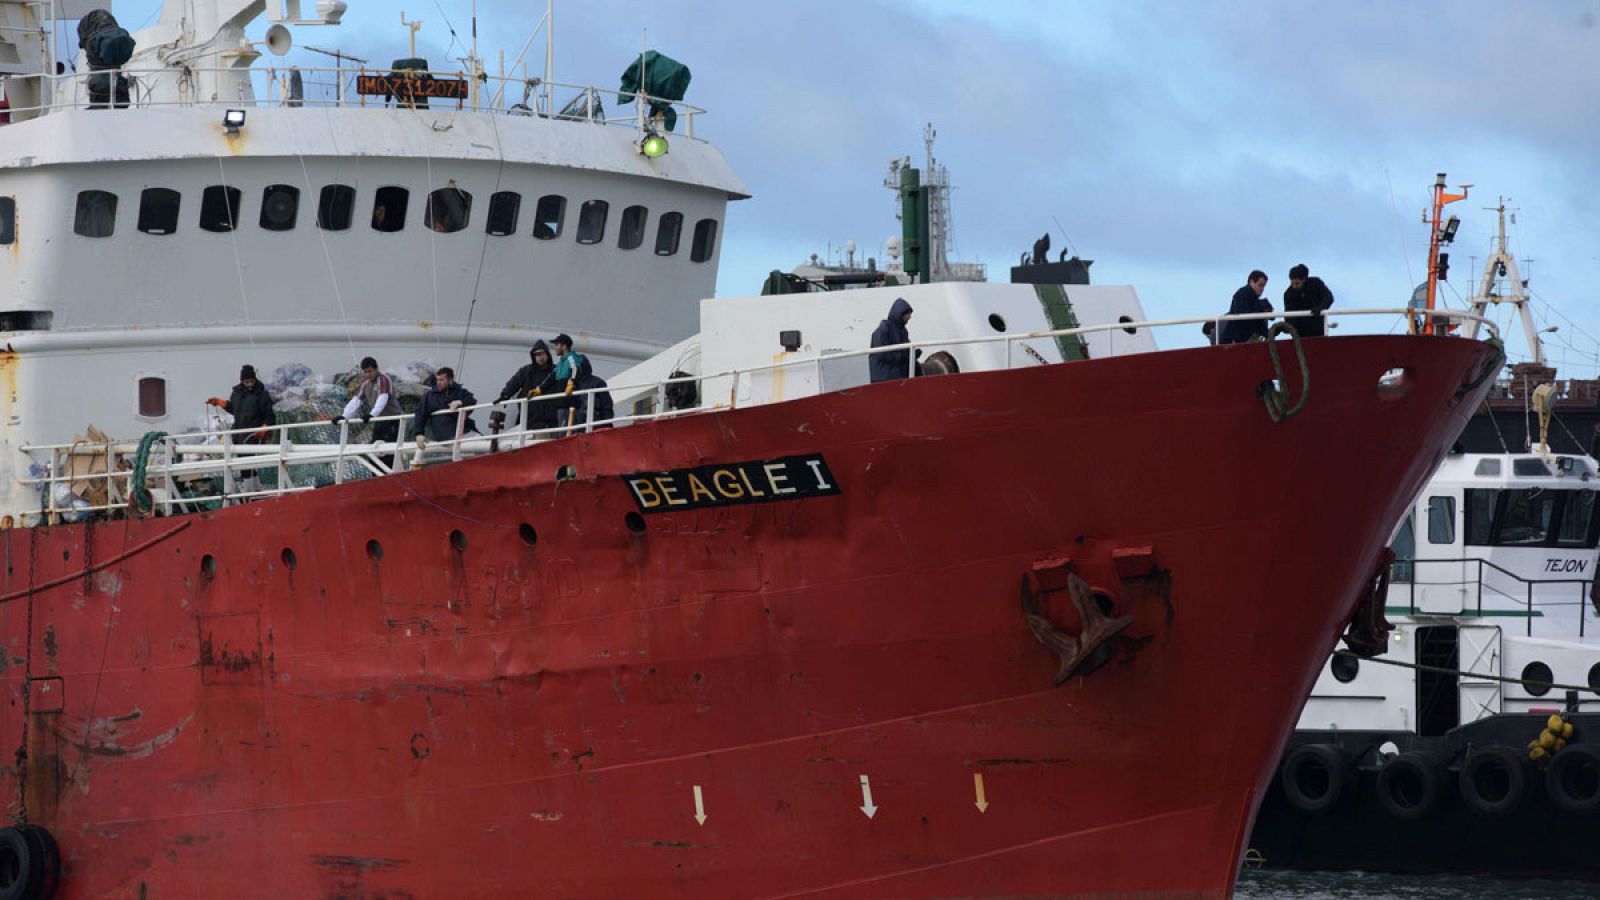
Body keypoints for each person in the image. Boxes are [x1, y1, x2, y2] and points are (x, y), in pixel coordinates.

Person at [207, 365, 276, 444]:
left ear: (255, 380)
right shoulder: (236, 393)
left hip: (255, 436)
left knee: (254, 456)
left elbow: (270, 416)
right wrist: (219, 402)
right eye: (247, 382)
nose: (250, 384)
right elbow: (234, 410)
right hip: (238, 435)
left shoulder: (262, 394)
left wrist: (265, 427)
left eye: (252, 381)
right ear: (242, 381)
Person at [333, 357, 397, 442]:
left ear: (376, 369)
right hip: (379, 419)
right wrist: (344, 416)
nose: (368, 375)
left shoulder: (383, 379)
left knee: (389, 447)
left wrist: (372, 414)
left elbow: (383, 397)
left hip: (392, 418)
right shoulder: (366, 384)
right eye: (365, 372)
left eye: (370, 371)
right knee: (376, 445)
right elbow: (356, 401)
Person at [413, 367, 479, 447]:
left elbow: (471, 400)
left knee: (487, 444)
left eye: (441, 380)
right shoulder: (430, 397)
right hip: (447, 435)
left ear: (450, 380)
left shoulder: (459, 392)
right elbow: (420, 413)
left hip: (464, 432)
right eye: (437, 380)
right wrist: (419, 434)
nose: (438, 383)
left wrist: (460, 402)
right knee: (484, 445)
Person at [1282, 264, 1335, 338]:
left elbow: (1328, 297)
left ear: (1304, 279)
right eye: (1292, 283)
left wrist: (1320, 308)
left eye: (1297, 283)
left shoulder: (1316, 283)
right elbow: (1288, 315)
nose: (1294, 286)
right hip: (1300, 334)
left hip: (1318, 329)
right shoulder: (1289, 294)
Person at [869, 297, 915, 383]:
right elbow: (881, 353)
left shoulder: (903, 331)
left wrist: (912, 353)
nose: (909, 317)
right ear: (900, 314)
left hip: (897, 375)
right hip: (883, 377)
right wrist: (903, 356)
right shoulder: (883, 329)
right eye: (908, 314)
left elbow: (905, 349)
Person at [1219, 270, 1272, 345]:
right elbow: (1242, 317)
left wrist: (1270, 333)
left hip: (1240, 341)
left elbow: (1256, 322)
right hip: (1233, 341)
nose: (1262, 289)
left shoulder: (1254, 300)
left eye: (1264, 286)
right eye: (1260, 285)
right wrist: (1262, 307)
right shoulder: (1241, 295)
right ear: (1251, 282)